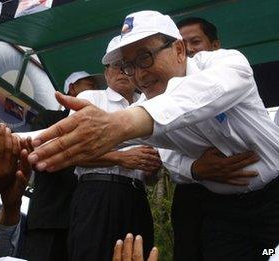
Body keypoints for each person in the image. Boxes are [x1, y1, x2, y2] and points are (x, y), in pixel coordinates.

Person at [28, 10, 279, 261]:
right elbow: (168, 157)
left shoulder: (226, 63)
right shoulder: (144, 109)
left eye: (145, 58)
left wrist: (124, 123)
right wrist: (195, 168)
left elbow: (203, 93)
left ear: (179, 50)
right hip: (224, 214)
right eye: (128, 66)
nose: (138, 74)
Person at [67, 46, 161, 261]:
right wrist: (120, 158)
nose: (122, 71)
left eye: (128, 66)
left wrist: (152, 169)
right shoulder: (90, 97)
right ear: (107, 72)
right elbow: (72, 151)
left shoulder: (152, 105)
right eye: (116, 66)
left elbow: (152, 176)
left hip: (137, 197)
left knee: (138, 255)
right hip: (97, 192)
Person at [22, 71, 105, 261]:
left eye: (97, 88)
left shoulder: (99, 131)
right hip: (49, 220)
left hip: (84, 226)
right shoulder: (48, 119)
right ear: (72, 89)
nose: (96, 90)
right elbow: (43, 157)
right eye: (90, 85)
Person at [166, 16, 221, 261]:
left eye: (195, 41)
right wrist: (194, 168)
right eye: (180, 44)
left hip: (237, 193)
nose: (188, 49)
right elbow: (165, 154)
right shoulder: (164, 92)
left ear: (215, 45)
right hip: (191, 194)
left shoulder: (232, 74)